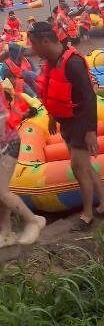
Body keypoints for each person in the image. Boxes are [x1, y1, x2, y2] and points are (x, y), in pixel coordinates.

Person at [28, 22, 104, 230]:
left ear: (46, 41)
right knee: (84, 166)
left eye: (34, 45)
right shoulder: (52, 61)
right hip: (66, 121)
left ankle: (87, 214)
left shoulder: (73, 63)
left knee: (78, 168)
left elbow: (89, 97)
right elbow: (57, 93)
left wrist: (91, 131)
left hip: (81, 123)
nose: (32, 50)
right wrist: (51, 116)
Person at [0, 83, 46, 247]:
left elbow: (2, 117)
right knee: (1, 190)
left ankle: (33, 220)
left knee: (2, 191)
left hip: (8, 143)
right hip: (4, 142)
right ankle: (6, 233)